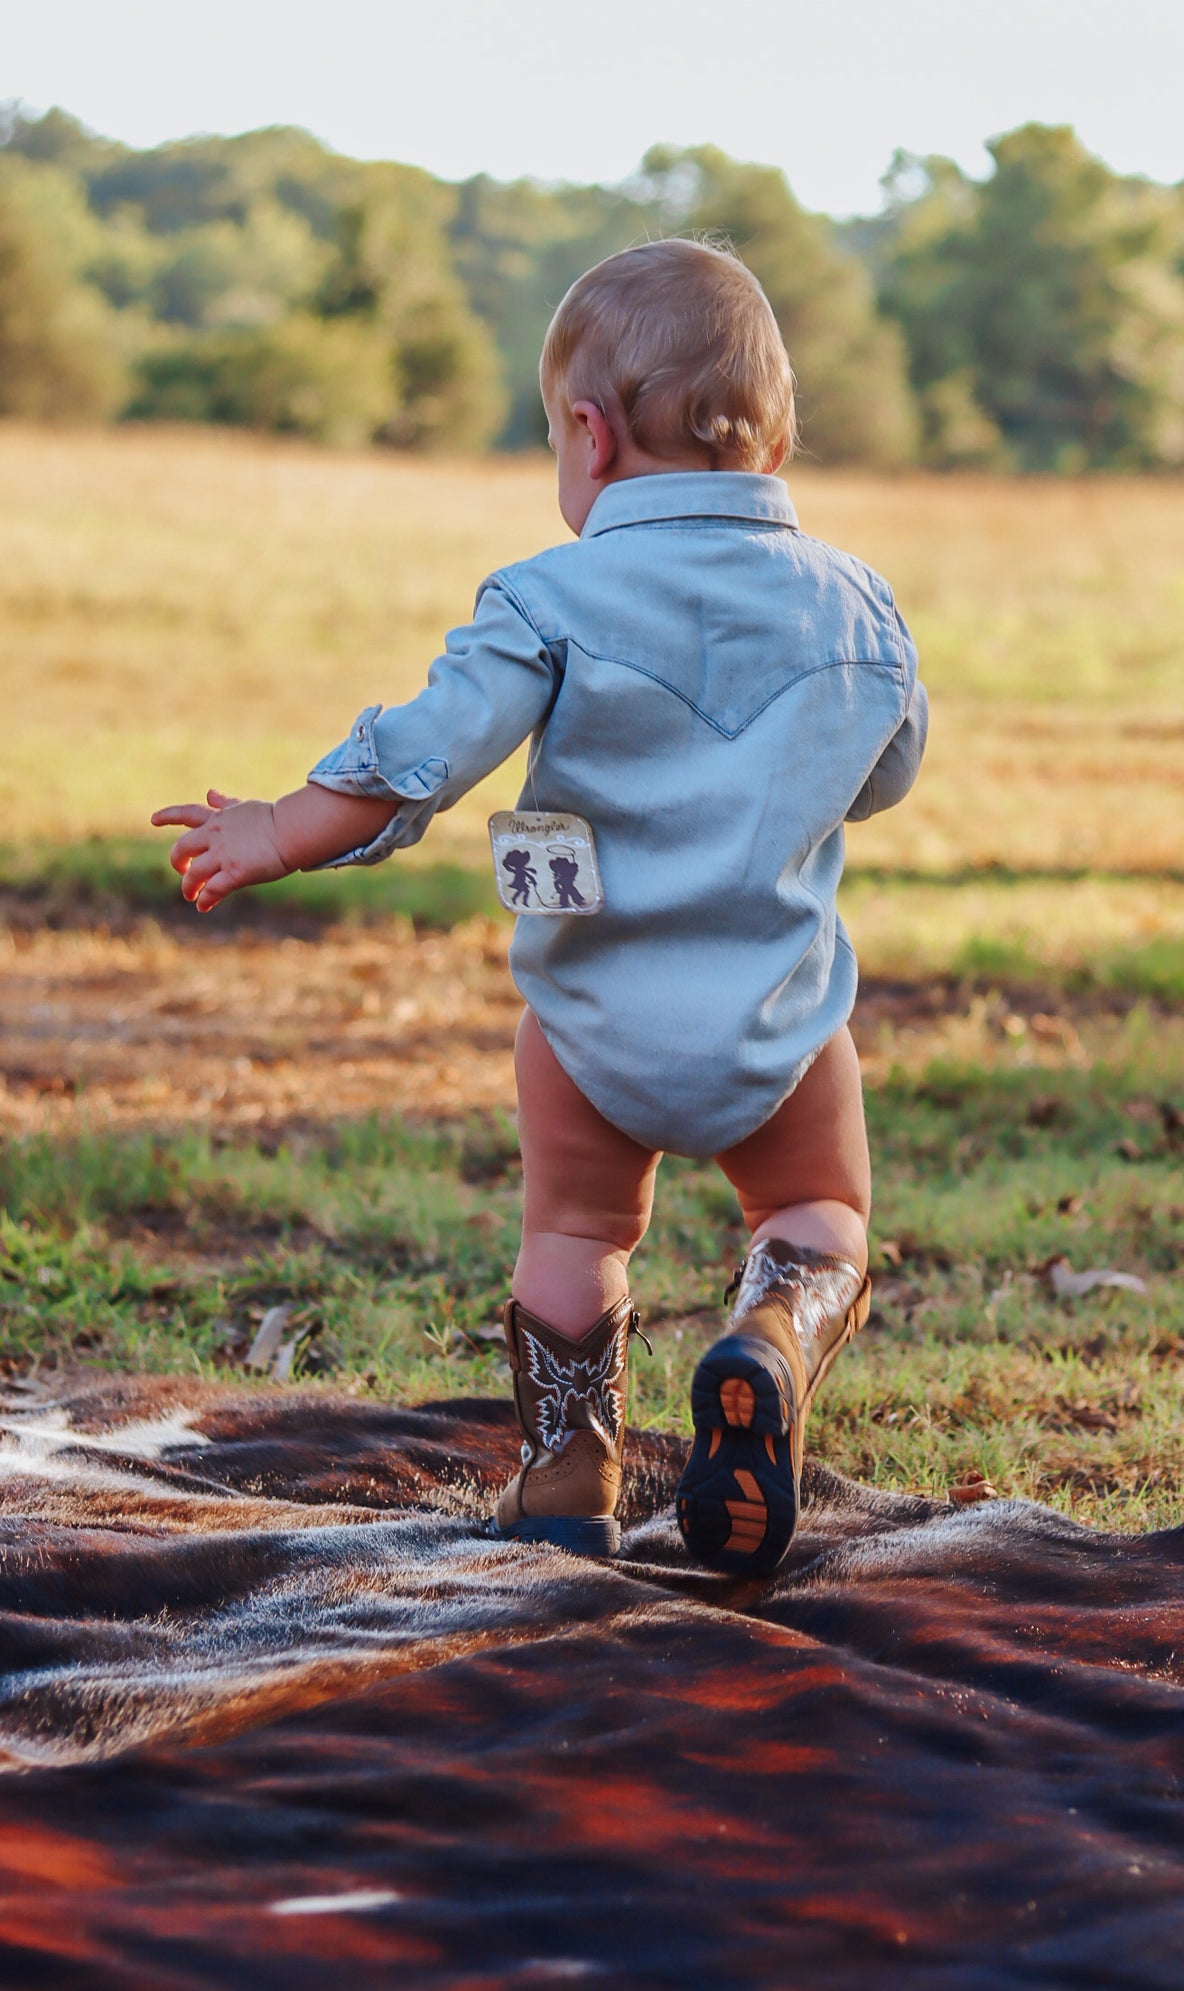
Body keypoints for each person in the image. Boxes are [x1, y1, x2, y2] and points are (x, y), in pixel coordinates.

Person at [151, 239, 927, 1575]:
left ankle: (570, 1471)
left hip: (589, 1025)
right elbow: (886, 775)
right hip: (778, 1020)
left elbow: (426, 753)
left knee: (574, 1231)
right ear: (779, 433)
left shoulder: (548, 598)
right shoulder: (855, 604)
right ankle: (771, 1338)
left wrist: (279, 829)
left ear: (588, 431)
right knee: (817, 1212)